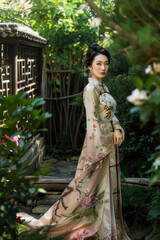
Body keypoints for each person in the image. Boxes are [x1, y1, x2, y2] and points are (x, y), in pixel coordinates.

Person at [18, 43, 131, 240]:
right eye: (98, 63)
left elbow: (111, 115)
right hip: (99, 147)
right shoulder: (90, 89)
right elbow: (93, 123)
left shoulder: (104, 86)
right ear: (89, 66)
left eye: (106, 64)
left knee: (104, 189)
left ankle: (107, 229)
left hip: (109, 144)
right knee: (83, 189)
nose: (103, 67)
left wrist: (118, 128)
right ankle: (53, 225)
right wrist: (106, 141)